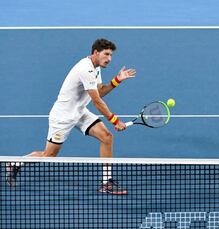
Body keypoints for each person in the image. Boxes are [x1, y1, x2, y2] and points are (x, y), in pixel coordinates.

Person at [6, 38, 136, 195]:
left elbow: (99, 91)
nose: (109, 59)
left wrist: (116, 81)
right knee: (49, 155)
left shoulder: (96, 68)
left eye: (111, 55)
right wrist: (115, 120)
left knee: (107, 137)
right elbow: (97, 101)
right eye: (106, 54)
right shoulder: (85, 69)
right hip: (63, 117)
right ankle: (15, 163)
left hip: (79, 111)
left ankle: (106, 183)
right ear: (96, 52)